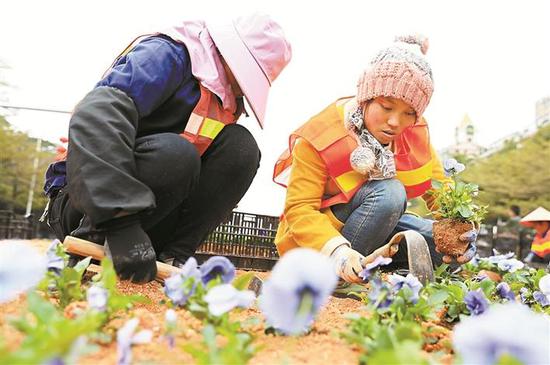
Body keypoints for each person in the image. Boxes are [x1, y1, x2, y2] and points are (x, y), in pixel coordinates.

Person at [42, 14, 292, 283]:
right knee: (177, 154)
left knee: (241, 148)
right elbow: (97, 113)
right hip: (90, 204)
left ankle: (173, 256)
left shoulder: (228, 97)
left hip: (152, 216)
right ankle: (97, 240)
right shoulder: (166, 56)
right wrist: (119, 221)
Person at [273, 35, 477, 283]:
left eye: (409, 113)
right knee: (390, 193)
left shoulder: (413, 134)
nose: (395, 122)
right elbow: (299, 209)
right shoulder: (321, 136)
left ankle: (373, 270)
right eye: (386, 107)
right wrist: (339, 253)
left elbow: (439, 189)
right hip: (320, 247)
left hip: (377, 225)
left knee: (439, 243)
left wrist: (462, 229)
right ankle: (335, 277)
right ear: (367, 98)